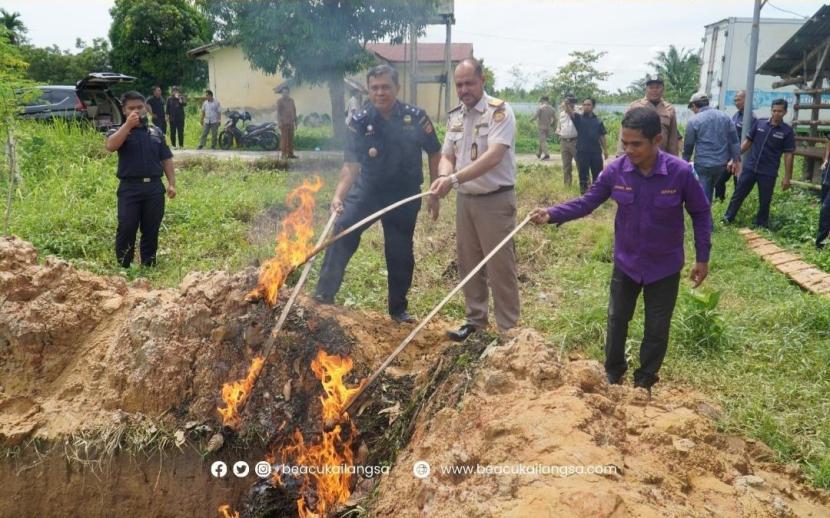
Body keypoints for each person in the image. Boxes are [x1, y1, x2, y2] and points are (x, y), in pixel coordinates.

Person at [530, 107, 711, 394]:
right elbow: (587, 202)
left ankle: (644, 382)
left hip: (664, 267)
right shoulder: (616, 170)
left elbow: (701, 214)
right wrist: (552, 213)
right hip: (626, 263)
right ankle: (613, 374)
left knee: (656, 327)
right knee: (616, 320)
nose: (629, 149)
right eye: (625, 143)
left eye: (636, 144)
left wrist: (703, 257)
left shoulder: (679, 173)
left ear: (657, 140)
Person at [314, 65, 441, 323]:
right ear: (368, 90)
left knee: (399, 250)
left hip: (404, 195)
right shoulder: (360, 121)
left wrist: (435, 190)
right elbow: (350, 166)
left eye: (385, 87)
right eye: (375, 88)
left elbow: (435, 152)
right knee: (344, 229)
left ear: (397, 88)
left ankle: (398, 310)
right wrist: (339, 196)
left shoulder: (415, 117)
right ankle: (323, 296)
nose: (380, 92)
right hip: (368, 191)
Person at [430, 58, 520, 341]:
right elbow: (447, 155)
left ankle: (508, 330)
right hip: (466, 200)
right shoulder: (455, 116)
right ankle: (475, 321)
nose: (464, 89)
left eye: (469, 82)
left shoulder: (500, 112)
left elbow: (494, 156)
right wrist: (443, 175)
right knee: (469, 262)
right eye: (459, 84)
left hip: (495, 199)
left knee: (500, 266)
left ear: (482, 80)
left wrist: (453, 179)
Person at [105, 91, 177, 268]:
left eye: (139, 107)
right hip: (130, 189)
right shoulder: (118, 130)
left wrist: (172, 183)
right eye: (131, 108)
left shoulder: (155, 131)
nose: (136, 111)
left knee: (151, 229)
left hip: (154, 188)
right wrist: (127, 126)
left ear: (145, 108)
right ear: (124, 110)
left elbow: (166, 158)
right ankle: (124, 266)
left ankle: (148, 265)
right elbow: (111, 146)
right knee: (127, 227)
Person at [723, 99, 795, 229]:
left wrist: (787, 177)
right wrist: (735, 158)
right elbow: (747, 142)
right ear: (771, 110)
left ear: (785, 112)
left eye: (779, 111)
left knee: (765, 200)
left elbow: (789, 154)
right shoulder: (760, 123)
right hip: (751, 167)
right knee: (738, 193)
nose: (776, 113)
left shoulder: (787, 131)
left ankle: (761, 224)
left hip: (768, 171)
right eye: (774, 110)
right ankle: (728, 218)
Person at [683, 92, 741, 203]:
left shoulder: (694, 121)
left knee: (704, 196)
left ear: (695, 105)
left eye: (692, 108)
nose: (693, 111)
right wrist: (736, 160)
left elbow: (688, 146)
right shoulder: (725, 117)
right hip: (720, 165)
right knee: (708, 191)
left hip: (703, 165)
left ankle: (705, 218)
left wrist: (684, 163)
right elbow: (734, 141)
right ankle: (707, 216)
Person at [620, 76, 680, 156]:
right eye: (651, 87)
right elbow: (624, 131)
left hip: (661, 157)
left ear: (663, 89)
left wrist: (674, 158)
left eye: (658, 87)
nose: (654, 90)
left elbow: (673, 138)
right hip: (637, 156)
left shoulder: (669, 109)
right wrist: (620, 154)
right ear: (646, 89)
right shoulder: (635, 106)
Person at [715, 89, 756, 202]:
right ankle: (720, 201)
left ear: (746, 100)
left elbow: (750, 141)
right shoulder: (736, 115)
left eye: (738, 100)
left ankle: (736, 207)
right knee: (719, 179)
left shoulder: (751, 118)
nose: (736, 102)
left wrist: (736, 156)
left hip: (743, 156)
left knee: (738, 183)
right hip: (731, 156)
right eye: (735, 100)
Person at [563, 97, 608, 193]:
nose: (586, 107)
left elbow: (602, 136)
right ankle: (584, 194)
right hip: (582, 151)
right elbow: (569, 112)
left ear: (593, 106)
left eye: (589, 105)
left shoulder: (598, 121)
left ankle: (597, 194)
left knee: (598, 174)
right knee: (583, 175)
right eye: (584, 105)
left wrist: (605, 150)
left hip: (596, 152)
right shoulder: (578, 118)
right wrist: (566, 104)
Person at [557, 95, 578, 187]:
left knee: (580, 164)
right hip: (564, 142)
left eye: (566, 103)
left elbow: (572, 114)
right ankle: (567, 185)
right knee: (566, 166)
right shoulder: (561, 113)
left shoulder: (577, 112)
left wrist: (567, 107)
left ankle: (585, 184)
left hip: (575, 142)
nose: (563, 105)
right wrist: (558, 130)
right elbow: (559, 124)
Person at [530, 95, 556, 160]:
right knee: (542, 141)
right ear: (548, 100)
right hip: (548, 127)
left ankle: (547, 155)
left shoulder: (540, 108)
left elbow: (535, 117)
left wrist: (530, 120)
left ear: (542, 100)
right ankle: (539, 153)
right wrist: (552, 124)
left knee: (543, 141)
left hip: (541, 127)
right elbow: (555, 119)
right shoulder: (552, 109)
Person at [816, 135, 830, 249]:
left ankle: (820, 245)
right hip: (827, 175)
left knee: (826, 209)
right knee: (824, 209)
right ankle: (822, 243)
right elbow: (828, 141)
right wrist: (826, 159)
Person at [277, 86, 298, 159]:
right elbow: (279, 113)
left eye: (286, 92)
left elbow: (294, 111)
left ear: (288, 93)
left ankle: (290, 154)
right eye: (283, 93)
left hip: (291, 123)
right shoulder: (280, 101)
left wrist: (296, 121)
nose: (284, 94)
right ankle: (283, 154)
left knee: (291, 139)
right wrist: (279, 122)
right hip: (283, 123)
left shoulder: (291, 100)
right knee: (284, 139)